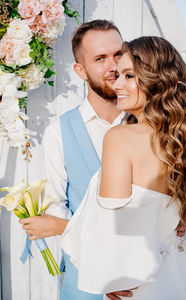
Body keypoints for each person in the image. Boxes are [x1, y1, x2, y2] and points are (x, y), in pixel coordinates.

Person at [60, 36, 186, 300]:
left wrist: (107, 275)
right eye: (117, 75)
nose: (117, 84)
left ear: (155, 81)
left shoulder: (119, 137)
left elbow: (111, 224)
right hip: (181, 272)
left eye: (129, 76)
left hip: (138, 285)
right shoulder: (182, 140)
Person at [19, 19, 134, 300]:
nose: (113, 66)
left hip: (141, 281)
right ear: (80, 70)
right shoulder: (58, 132)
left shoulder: (147, 123)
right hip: (85, 283)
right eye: (100, 58)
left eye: (118, 54)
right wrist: (104, 273)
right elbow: (57, 212)